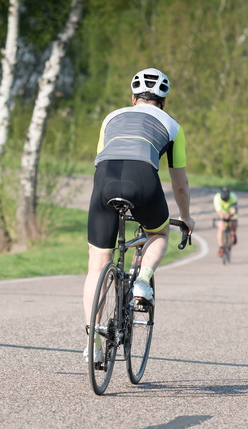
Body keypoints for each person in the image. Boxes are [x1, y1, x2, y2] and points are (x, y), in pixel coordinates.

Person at [83, 68, 195, 358]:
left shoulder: (111, 117)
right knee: (158, 232)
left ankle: (92, 345)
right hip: (143, 179)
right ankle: (143, 281)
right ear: (163, 102)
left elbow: (100, 158)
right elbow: (179, 184)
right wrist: (186, 216)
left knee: (97, 262)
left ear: (132, 98)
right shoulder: (173, 126)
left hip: (104, 179)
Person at [213, 186, 238, 256]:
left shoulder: (233, 197)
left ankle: (233, 234)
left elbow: (234, 209)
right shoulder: (217, 198)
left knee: (233, 222)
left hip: (230, 211)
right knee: (220, 227)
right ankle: (221, 246)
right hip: (222, 212)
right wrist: (223, 216)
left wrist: (230, 214)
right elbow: (218, 211)